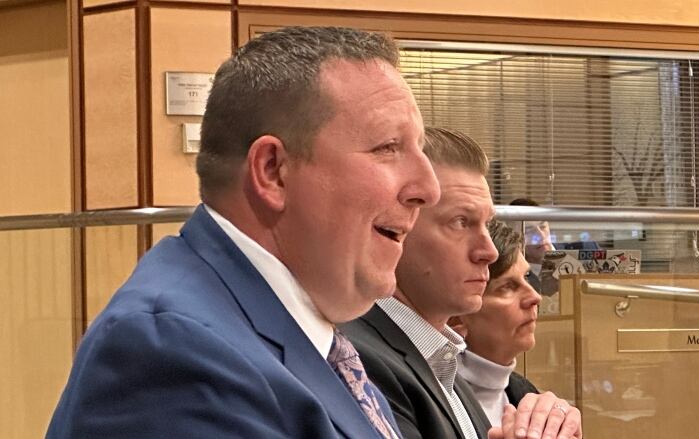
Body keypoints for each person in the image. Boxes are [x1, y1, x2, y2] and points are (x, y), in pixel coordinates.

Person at [46, 26, 440, 438]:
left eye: (419, 148)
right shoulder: (173, 348)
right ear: (272, 171)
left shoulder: (293, 321)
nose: (428, 189)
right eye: (387, 148)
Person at [342, 127, 582, 439]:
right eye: (460, 222)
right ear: (398, 227)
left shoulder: (442, 361)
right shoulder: (357, 362)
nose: (489, 251)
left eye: (486, 224)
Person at [450, 219, 542, 427]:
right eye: (507, 286)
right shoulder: (433, 397)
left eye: (527, 277)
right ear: (456, 317)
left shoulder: (525, 393)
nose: (535, 297)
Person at [509, 198, 554, 293]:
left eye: (543, 227)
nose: (541, 235)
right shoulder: (509, 273)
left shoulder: (576, 260)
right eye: (529, 231)